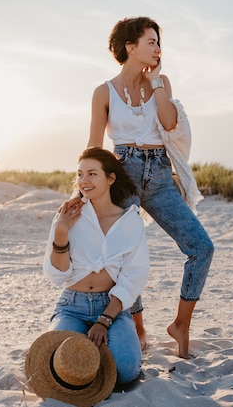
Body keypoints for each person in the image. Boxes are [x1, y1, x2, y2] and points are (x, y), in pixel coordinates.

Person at [87, 16, 214, 358]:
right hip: (122, 174)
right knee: (127, 254)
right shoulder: (104, 92)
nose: (158, 48)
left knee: (201, 247)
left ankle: (181, 324)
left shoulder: (162, 83)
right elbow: (94, 148)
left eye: (159, 43)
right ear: (130, 47)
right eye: (151, 42)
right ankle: (139, 328)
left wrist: (157, 84)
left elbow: (169, 124)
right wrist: (84, 190)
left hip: (159, 174)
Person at [43, 147, 150, 387]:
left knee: (125, 371)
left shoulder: (130, 221)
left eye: (92, 174)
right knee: (56, 364)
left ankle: (106, 354)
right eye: (80, 174)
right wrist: (61, 232)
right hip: (72, 305)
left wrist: (104, 320)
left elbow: (134, 277)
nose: (84, 181)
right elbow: (58, 276)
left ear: (110, 178)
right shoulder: (67, 215)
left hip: (112, 306)